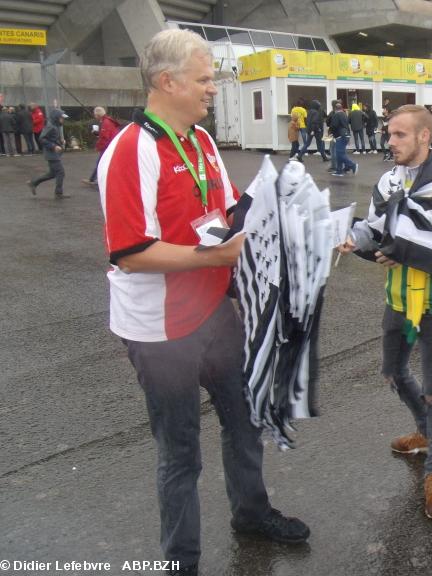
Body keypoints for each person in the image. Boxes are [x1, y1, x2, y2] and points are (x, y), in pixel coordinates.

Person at [97, 30, 309, 576]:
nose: (214, 89)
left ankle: (251, 512)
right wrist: (216, 258)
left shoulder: (200, 141)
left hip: (215, 314)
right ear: (168, 82)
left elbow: (220, 216)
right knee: (180, 453)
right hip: (159, 329)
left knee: (244, 421)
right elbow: (131, 252)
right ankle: (181, 562)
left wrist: (276, 216)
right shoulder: (131, 150)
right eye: (205, 79)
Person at [338, 104, 432, 520]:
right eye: (389, 134)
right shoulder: (390, 179)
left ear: (424, 138)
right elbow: (379, 228)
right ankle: (424, 432)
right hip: (397, 299)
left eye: (399, 135)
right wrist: (352, 236)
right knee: (394, 373)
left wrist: (401, 250)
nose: (390, 141)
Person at [27, 108, 68, 198]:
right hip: (51, 154)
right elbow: (42, 138)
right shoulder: (51, 126)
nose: (63, 120)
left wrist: (60, 141)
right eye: (62, 118)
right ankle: (58, 193)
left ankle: (33, 183)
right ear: (57, 117)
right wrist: (53, 146)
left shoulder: (55, 125)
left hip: (53, 154)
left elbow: (51, 138)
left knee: (52, 174)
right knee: (60, 172)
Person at [83, 106, 121, 185]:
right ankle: (96, 179)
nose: (94, 116)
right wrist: (97, 134)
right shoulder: (108, 121)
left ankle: (93, 180)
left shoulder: (105, 122)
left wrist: (98, 147)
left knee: (100, 163)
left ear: (98, 115)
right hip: (113, 145)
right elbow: (106, 134)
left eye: (95, 114)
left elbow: (104, 137)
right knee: (106, 163)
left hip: (108, 146)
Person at [330, 102, 358, 176]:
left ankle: (352, 165)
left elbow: (334, 125)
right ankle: (339, 171)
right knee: (340, 153)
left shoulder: (337, 115)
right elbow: (347, 125)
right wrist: (348, 136)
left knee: (339, 154)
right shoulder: (345, 114)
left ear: (335, 109)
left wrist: (330, 132)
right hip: (346, 135)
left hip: (340, 136)